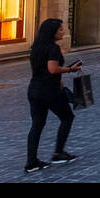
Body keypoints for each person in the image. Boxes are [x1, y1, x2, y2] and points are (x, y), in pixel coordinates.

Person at [25, 18, 80, 173]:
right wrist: (70, 70)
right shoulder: (53, 48)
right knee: (67, 117)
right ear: (52, 32)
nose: (63, 31)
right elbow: (52, 69)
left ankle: (31, 161)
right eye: (60, 29)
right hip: (50, 91)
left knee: (37, 125)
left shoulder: (36, 47)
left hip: (34, 89)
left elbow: (43, 69)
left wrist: (61, 81)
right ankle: (58, 153)